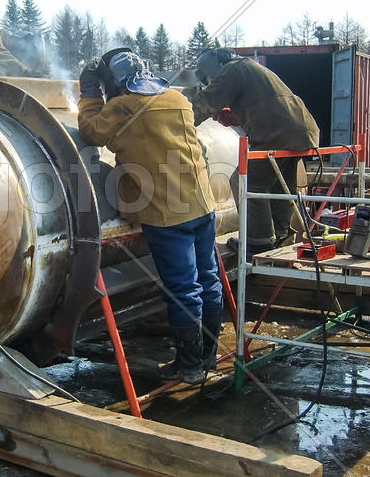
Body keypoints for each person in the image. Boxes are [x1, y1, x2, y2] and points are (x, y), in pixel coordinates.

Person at [77, 50, 223, 384]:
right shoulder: (177, 98)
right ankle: (207, 358)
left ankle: (189, 367)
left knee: (183, 289)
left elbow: (90, 132)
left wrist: (89, 95)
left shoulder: (122, 107)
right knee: (208, 279)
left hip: (167, 213)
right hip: (202, 203)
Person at [191, 48, 320, 257]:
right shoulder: (249, 68)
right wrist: (236, 116)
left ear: (214, 66)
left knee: (244, 181)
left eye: (208, 76)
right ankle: (280, 235)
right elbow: (262, 104)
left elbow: (205, 102)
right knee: (279, 185)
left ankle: (258, 242)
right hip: (299, 131)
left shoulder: (233, 70)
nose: (209, 80)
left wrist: (177, 120)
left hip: (278, 134)